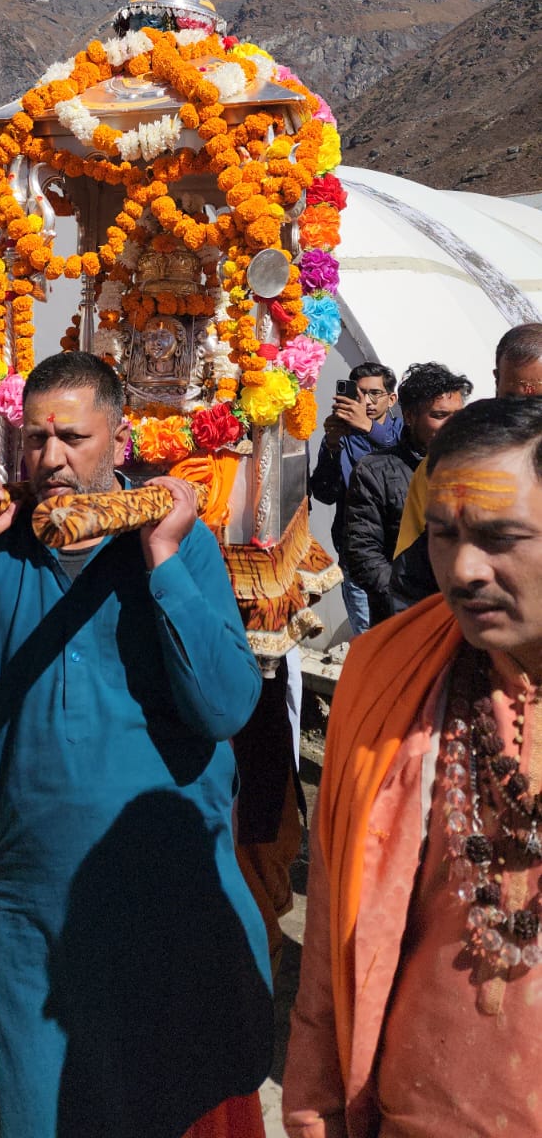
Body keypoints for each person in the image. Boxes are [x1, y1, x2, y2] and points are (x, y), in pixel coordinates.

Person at [0, 350, 273, 1138]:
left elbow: (225, 705)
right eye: (34, 437)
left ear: (118, 439)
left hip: (168, 884)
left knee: (174, 1097)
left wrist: (163, 559)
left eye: (73, 438)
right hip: (39, 893)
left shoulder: (175, 536)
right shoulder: (0, 551)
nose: (49, 458)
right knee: (51, 1108)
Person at [283, 396, 542, 1137]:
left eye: (500, 538)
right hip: (413, 1109)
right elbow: (336, 923)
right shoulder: (389, 672)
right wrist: (314, 1109)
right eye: (441, 536)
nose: (462, 569)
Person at [392, 322, 542, 611]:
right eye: (514, 400)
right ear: (497, 379)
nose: (527, 416)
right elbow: (411, 578)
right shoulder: (453, 459)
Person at [344, 361, 471, 627]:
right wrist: (406, 605)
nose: (452, 425)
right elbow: (363, 552)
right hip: (403, 622)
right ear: (410, 416)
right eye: (439, 415)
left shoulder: (477, 468)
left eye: (458, 416)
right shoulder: (374, 471)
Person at [310, 363, 401, 635]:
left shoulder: (403, 432)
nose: (366, 401)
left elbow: (404, 463)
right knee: (369, 638)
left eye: (375, 394)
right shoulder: (343, 436)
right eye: (359, 394)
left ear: (391, 399)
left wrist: (368, 427)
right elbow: (324, 493)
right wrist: (331, 447)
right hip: (357, 557)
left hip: (400, 557)